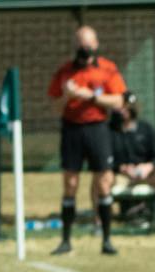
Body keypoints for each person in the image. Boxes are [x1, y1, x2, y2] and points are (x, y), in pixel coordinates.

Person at [48, 26, 126, 257]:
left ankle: (106, 238)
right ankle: (66, 240)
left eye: (89, 45)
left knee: (103, 183)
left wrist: (90, 96)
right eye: (82, 45)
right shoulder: (65, 72)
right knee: (70, 184)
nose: (86, 50)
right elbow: (54, 106)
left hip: (97, 128)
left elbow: (119, 100)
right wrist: (67, 96)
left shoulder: (108, 69)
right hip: (72, 129)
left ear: (96, 44)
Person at [110, 93, 155, 234]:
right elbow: (105, 160)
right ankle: (103, 223)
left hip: (145, 176)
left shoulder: (146, 129)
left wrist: (148, 167)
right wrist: (121, 168)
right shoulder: (110, 131)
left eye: (127, 108)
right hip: (120, 177)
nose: (124, 111)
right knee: (102, 177)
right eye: (120, 108)